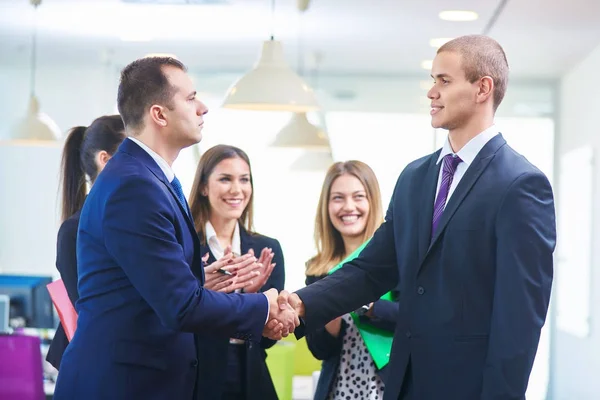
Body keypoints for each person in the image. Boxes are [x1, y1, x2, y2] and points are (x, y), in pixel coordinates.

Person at [279, 34, 556, 400]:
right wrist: (302, 303)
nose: (431, 93)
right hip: (403, 384)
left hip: (467, 389)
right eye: (432, 81)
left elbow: (518, 322)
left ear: (482, 88)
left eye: (444, 81)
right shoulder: (415, 177)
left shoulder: (520, 184)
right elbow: (371, 268)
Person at [53, 56, 297, 400]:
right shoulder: (134, 186)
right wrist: (263, 306)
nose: (203, 108)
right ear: (159, 114)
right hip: (121, 385)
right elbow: (180, 305)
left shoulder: (153, 179)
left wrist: (203, 280)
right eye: (191, 97)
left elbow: (160, 291)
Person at [189, 144, 285, 400]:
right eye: (225, 179)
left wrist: (255, 301)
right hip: (197, 379)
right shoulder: (184, 246)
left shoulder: (267, 248)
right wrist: (245, 304)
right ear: (203, 187)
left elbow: (269, 339)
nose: (237, 189)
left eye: (244, 180)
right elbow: (176, 318)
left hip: (251, 377)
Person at [305, 160, 399, 400]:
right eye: (338, 198)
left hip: (388, 387)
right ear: (326, 206)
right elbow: (319, 349)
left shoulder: (396, 260)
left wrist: (367, 307)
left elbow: (414, 318)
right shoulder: (318, 270)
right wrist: (330, 311)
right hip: (339, 390)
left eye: (358, 196)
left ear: (372, 201)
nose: (348, 207)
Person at [46, 115, 126, 370]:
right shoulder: (75, 231)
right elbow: (93, 310)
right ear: (105, 160)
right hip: (95, 363)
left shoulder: (138, 220)